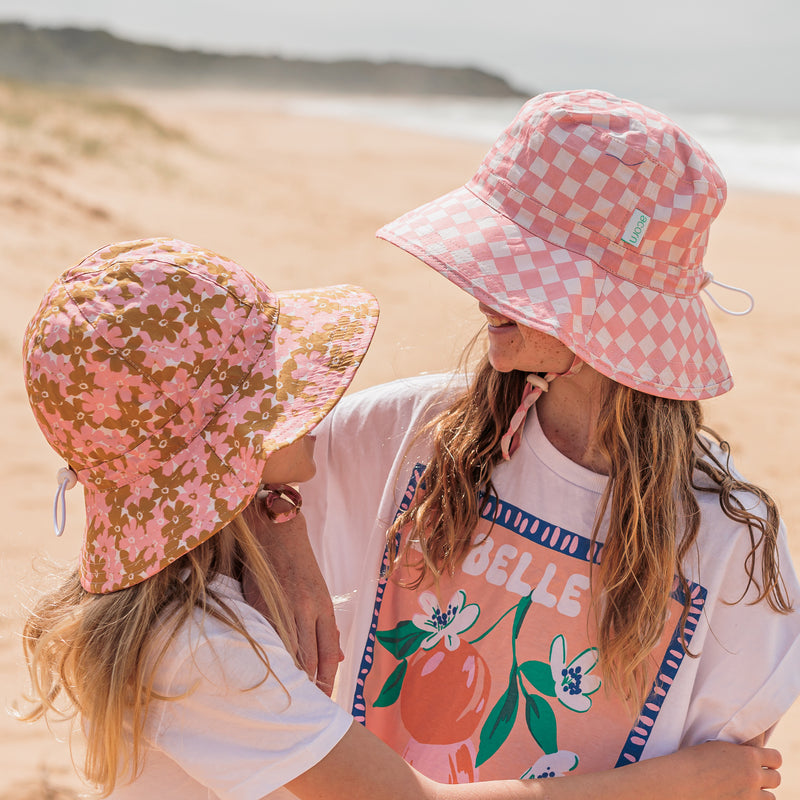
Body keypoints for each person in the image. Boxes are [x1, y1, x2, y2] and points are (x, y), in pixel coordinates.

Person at [18, 236, 779, 800]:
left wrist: (272, 522)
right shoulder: (209, 655)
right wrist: (683, 781)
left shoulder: (181, 607)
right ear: (225, 456)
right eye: (281, 395)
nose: (315, 403)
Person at [289, 90, 800, 784]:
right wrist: (282, 536)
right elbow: (227, 477)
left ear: (609, 312)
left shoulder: (726, 540)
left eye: (519, 270)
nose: (481, 291)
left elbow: (729, 784)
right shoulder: (412, 432)